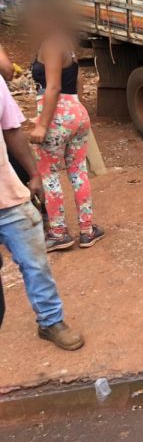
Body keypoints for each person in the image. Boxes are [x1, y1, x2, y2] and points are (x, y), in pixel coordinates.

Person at [0, 73, 84, 348]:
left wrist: (34, 174)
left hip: (8, 198)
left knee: (35, 262)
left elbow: (11, 129)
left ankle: (50, 322)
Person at [27, 0, 104, 252]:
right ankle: (87, 229)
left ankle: (59, 232)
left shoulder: (49, 45)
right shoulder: (67, 44)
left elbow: (53, 87)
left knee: (49, 173)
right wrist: (75, 112)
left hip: (56, 113)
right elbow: (77, 83)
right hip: (75, 111)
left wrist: (42, 125)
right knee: (78, 171)